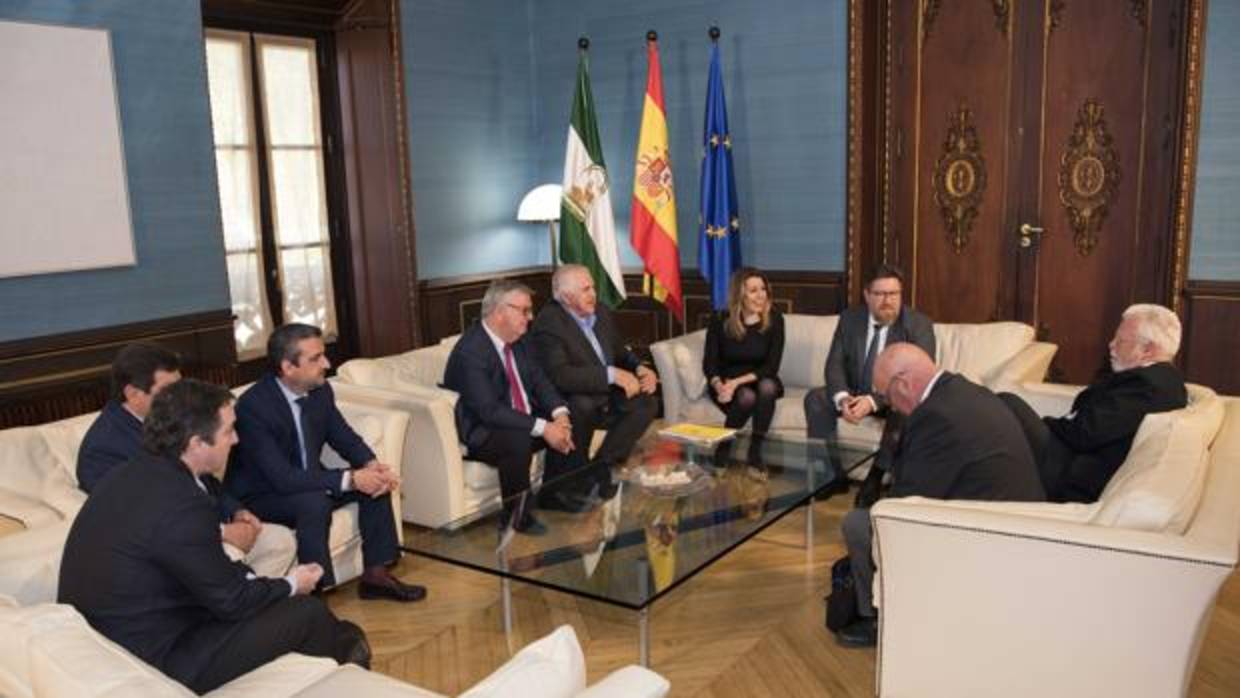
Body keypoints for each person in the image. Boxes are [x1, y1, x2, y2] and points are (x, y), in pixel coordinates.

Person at [59, 379, 370, 694]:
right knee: (307, 612)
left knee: (285, 606)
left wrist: (257, 584)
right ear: (196, 443)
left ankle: (338, 655)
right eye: (228, 431)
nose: (236, 439)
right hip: (154, 657)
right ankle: (349, 676)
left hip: (112, 636)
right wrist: (292, 583)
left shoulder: (132, 472)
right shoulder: (184, 503)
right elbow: (232, 601)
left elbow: (203, 567)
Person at [836, 343, 1044, 648]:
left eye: (886, 396)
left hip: (991, 538)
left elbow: (905, 506)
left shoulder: (935, 418)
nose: (889, 407)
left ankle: (880, 620)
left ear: (903, 384)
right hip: (1016, 519)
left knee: (858, 524)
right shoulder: (965, 391)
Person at [225, 323, 425, 602]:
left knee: (373, 484)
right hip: (262, 495)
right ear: (288, 367)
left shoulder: (320, 391)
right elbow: (282, 478)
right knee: (314, 502)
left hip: (306, 480)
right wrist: (351, 479)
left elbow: (343, 436)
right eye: (316, 358)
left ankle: (376, 576)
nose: (327, 364)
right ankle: (317, 593)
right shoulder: (253, 408)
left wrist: (370, 465)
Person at [75, 343, 296, 578]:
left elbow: (204, 477)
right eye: (168, 390)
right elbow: (141, 518)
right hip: (169, 548)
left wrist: (236, 511)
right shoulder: (102, 448)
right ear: (133, 393)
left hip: (206, 522)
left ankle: (248, 597)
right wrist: (221, 531)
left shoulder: (174, 417)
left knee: (279, 541)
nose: (178, 397)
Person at [999, 303, 1188, 503]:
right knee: (1002, 408)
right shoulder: (1156, 379)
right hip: (1069, 456)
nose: (1111, 345)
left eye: (1121, 340)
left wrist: (1047, 424)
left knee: (1004, 405)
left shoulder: (1148, 386)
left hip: (1071, 474)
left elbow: (1085, 432)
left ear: (1148, 350)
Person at [443, 279, 578, 535]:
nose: (530, 317)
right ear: (499, 312)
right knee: (518, 439)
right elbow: (489, 411)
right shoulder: (470, 351)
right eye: (524, 311)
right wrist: (544, 427)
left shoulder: (520, 340)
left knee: (575, 413)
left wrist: (560, 415)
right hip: (485, 431)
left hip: (520, 417)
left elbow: (540, 381)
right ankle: (517, 516)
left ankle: (554, 494)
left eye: (530, 310)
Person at [530, 264, 657, 509]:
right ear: (566, 297)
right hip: (571, 398)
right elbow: (560, 375)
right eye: (585, 289)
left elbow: (619, 351)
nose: (593, 294)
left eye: (593, 288)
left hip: (604, 393)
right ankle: (567, 486)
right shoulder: (549, 323)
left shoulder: (600, 311)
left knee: (646, 402)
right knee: (582, 404)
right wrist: (611, 375)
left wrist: (640, 367)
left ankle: (601, 467)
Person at [805, 264, 935, 501]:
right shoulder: (850, 319)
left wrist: (873, 401)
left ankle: (875, 478)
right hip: (855, 391)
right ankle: (833, 476)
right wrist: (843, 398)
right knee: (816, 399)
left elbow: (916, 378)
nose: (888, 301)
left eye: (893, 294)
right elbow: (834, 364)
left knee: (904, 408)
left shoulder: (918, 325)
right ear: (867, 295)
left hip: (893, 397)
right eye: (880, 294)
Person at [702, 268, 786, 444]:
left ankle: (756, 451)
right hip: (727, 380)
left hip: (760, 377)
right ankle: (723, 450)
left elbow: (772, 366)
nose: (761, 296)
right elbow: (710, 362)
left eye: (763, 289)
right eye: (753, 291)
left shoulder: (775, 319)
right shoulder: (720, 319)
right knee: (747, 397)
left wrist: (736, 383)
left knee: (768, 387)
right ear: (739, 295)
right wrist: (719, 386)